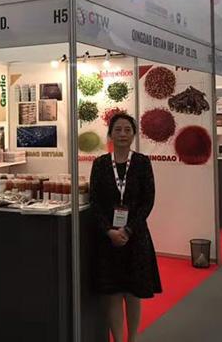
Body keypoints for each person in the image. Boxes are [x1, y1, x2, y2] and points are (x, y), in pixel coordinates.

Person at [89, 114, 162, 342]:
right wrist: (109, 231)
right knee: (113, 293)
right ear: (110, 134)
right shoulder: (100, 164)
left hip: (135, 237)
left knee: (133, 293)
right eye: (118, 130)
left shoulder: (142, 163)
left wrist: (128, 230)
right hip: (108, 239)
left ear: (133, 134)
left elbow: (148, 201)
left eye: (127, 130)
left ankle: (133, 338)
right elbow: (95, 202)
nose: (122, 134)